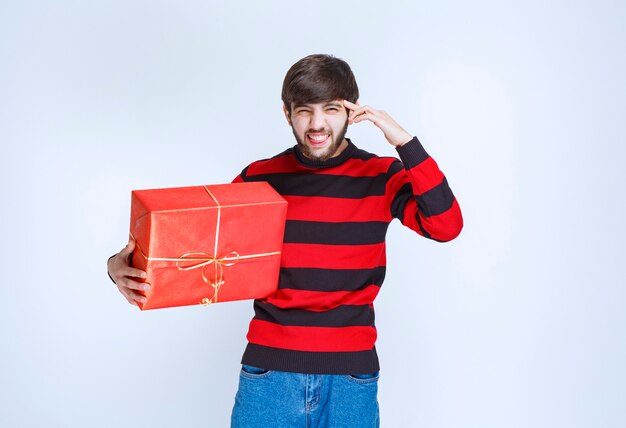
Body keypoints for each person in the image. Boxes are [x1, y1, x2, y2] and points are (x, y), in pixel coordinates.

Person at [107, 54, 463, 427]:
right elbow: (192, 249)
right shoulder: (261, 178)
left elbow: (445, 225)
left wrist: (404, 141)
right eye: (304, 111)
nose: (317, 124)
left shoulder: (382, 175)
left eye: (331, 109)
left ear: (353, 112)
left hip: (350, 378)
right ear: (287, 113)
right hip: (270, 373)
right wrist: (116, 266)